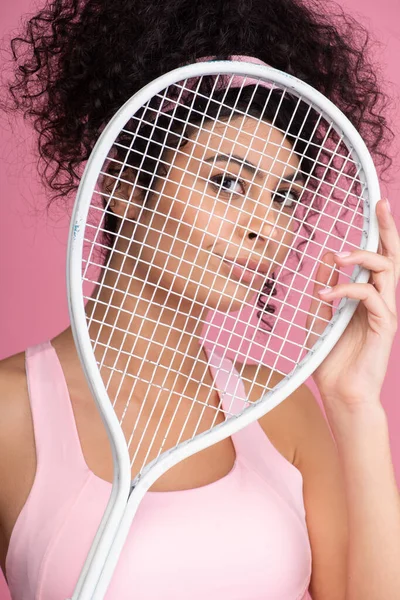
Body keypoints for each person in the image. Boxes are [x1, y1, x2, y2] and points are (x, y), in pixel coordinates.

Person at [1, 0, 400, 598]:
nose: (264, 225)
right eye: (228, 182)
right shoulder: (10, 413)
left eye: (284, 196)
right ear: (126, 187)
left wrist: (355, 406)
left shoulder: (282, 411)